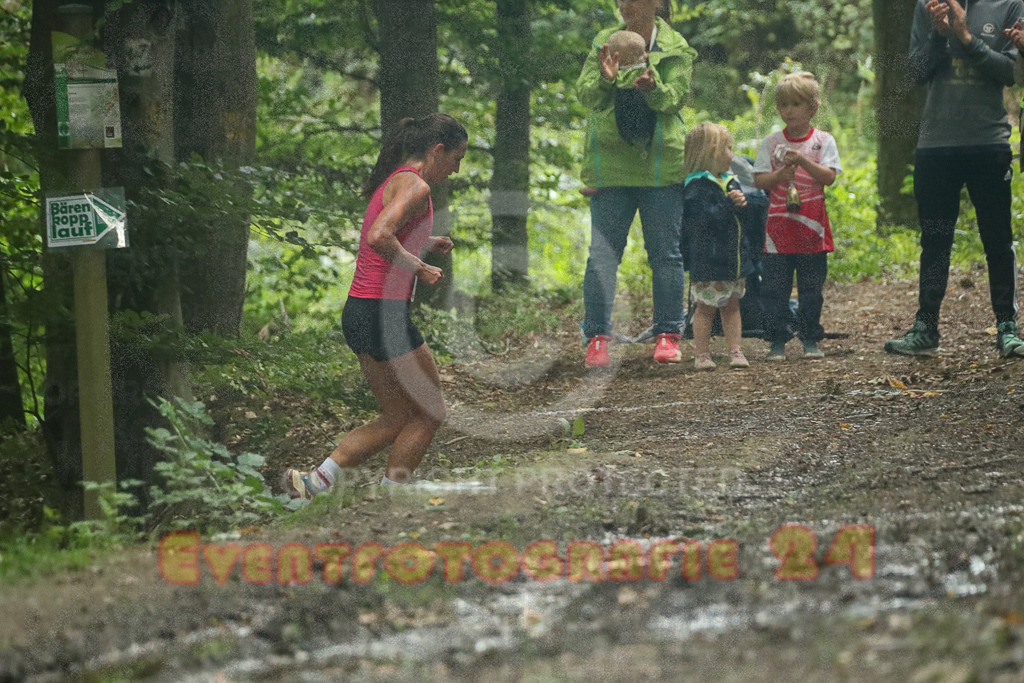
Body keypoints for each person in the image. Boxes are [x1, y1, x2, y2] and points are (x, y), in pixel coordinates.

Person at [284, 113, 468, 497]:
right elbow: (379, 236)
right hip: (383, 315)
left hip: (361, 312)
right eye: (456, 158)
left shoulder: (397, 178)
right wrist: (420, 267)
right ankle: (391, 497)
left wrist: (426, 241)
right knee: (431, 411)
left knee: (398, 415)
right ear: (438, 150)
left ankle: (313, 482)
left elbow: (388, 238)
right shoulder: (416, 187)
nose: (456, 169)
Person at [886, 0, 1024, 358]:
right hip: (936, 144)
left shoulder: (1009, 5)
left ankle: (1007, 326)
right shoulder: (927, 6)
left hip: (989, 142)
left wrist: (964, 35)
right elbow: (916, 72)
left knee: (998, 238)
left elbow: (1008, 72)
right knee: (934, 240)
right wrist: (938, 33)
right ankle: (926, 327)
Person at [577, 0, 696, 367]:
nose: (626, 4)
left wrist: (652, 87)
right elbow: (586, 97)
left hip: (661, 165)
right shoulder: (603, 42)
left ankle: (668, 334)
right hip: (611, 166)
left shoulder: (675, 47)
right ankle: (597, 337)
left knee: (665, 255)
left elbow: (674, 101)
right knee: (602, 256)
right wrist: (605, 79)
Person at [753, 71, 841, 362]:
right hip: (777, 233)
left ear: (812, 107)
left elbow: (829, 177)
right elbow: (759, 181)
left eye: (795, 104)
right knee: (774, 290)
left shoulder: (823, 141)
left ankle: (810, 339)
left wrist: (803, 160)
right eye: (782, 105)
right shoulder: (771, 142)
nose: (788, 111)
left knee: (811, 291)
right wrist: (780, 175)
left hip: (812, 232)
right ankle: (776, 341)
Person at [680, 122, 751, 370]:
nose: (732, 154)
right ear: (711, 152)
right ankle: (702, 353)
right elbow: (701, 219)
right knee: (706, 307)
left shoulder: (730, 181)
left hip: (733, 260)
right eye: (728, 148)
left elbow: (741, 220)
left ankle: (735, 350)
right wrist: (728, 206)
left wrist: (743, 204)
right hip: (707, 262)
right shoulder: (696, 185)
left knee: (732, 306)